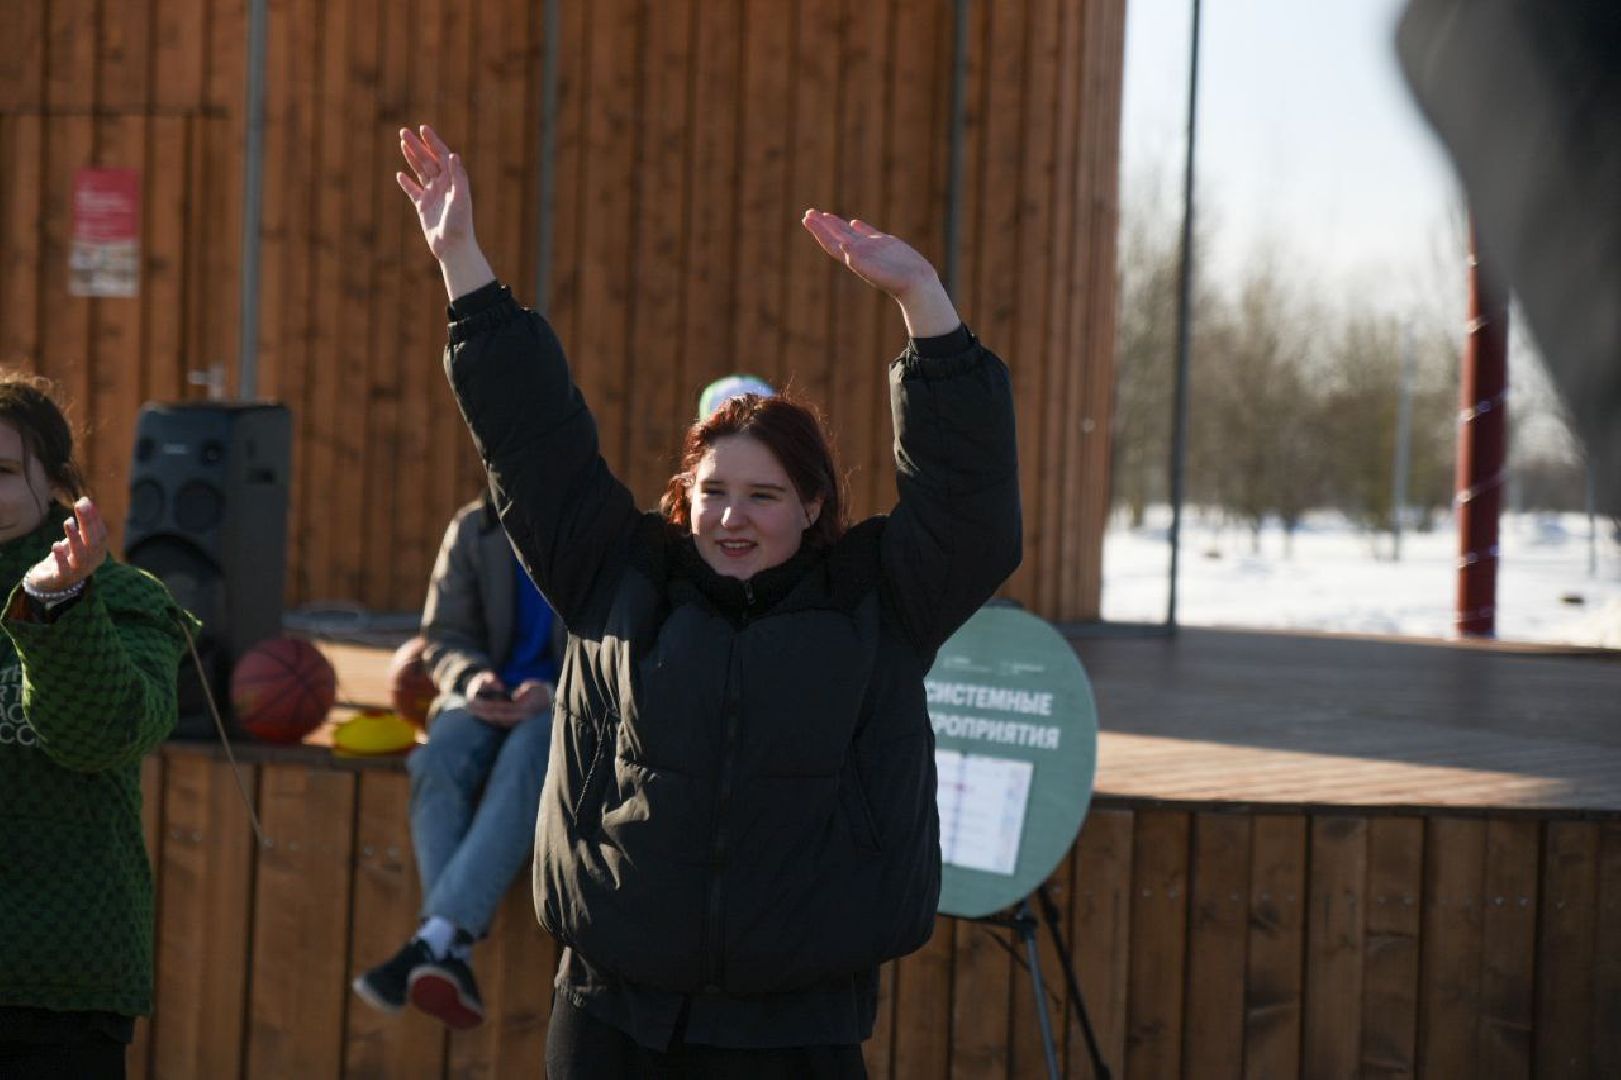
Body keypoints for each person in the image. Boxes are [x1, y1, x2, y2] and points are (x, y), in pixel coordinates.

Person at [396, 124, 1022, 1077]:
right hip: (614, 1016)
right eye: (713, 492)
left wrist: (923, 305)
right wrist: (465, 271)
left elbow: (969, 508)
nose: (732, 517)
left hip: (798, 1028)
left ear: (812, 505)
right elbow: (533, 442)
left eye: (764, 495)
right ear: (682, 496)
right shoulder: (618, 574)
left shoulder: (876, 598)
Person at [0, 375, 197, 1080]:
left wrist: (55, 606)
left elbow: (103, 735)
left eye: (0, 470)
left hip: (58, 990)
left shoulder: (121, 597)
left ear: (55, 485)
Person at [352, 489, 564, 1030]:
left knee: (530, 756)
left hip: (559, 702)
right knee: (436, 757)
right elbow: (444, 635)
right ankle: (450, 948)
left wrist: (556, 690)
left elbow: (611, 642)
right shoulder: (473, 529)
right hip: (483, 695)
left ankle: (434, 940)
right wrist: (473, 680)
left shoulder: (595, 527)